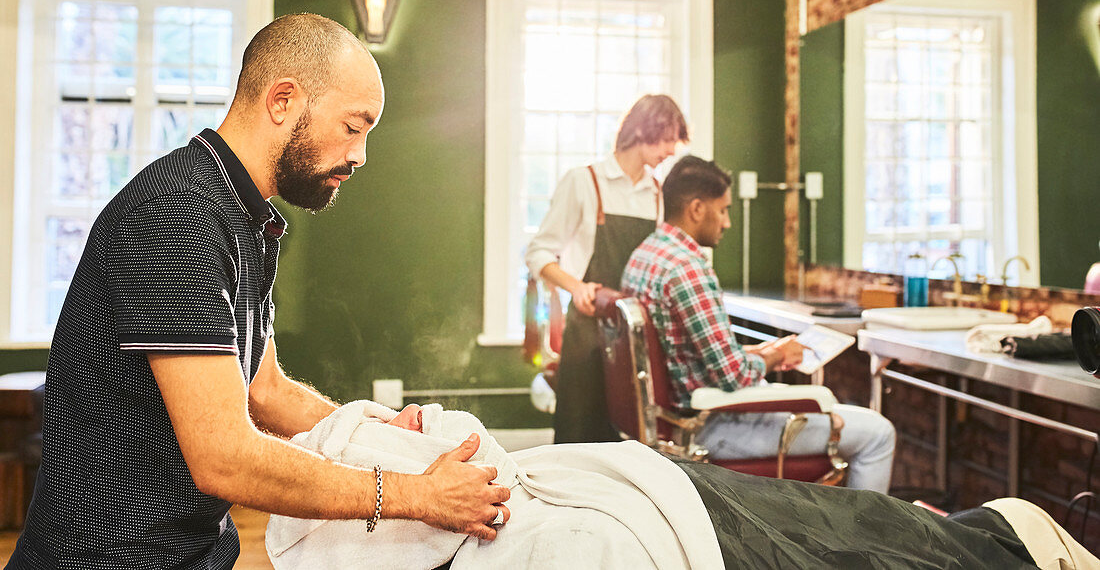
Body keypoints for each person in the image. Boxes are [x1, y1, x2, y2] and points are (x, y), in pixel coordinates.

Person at [7, 14, 509, 570]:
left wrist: (372, 430)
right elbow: (223, 457)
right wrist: (417, 496)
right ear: (283, 102)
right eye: (353, 126)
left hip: (196, 552)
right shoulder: (177, 217)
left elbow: (262, 389)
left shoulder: (242, 216)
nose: (361, 154)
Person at [268, 399, 1098, 570]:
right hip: (710, 432)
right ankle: (995, 537)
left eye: (404, 408)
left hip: (653, 473)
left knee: (849, 522)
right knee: (863, 462)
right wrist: (411, 492)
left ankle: (975, 532)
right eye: (406, 422)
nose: (424, 413)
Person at [621, 155, 897, 493]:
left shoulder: (645, 254)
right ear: (696, 209)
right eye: (722, 210)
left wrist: (766, 350)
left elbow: (689, 354)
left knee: (813, 402)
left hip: (676, 419)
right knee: (877, 433)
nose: (727, 223)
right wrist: (778, 357)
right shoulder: (688, 268)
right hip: (711, 426)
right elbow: (732, 376)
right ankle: (863, 544)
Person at [525, 94, 689, 443]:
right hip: (587, 332)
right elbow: (539, 253)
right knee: (578, 435)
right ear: (645, 129)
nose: (673, 150)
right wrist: (577, 288)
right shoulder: (584, 182)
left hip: (635, 338)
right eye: (668, 137)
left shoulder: (658, 194)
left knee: (628, 442)